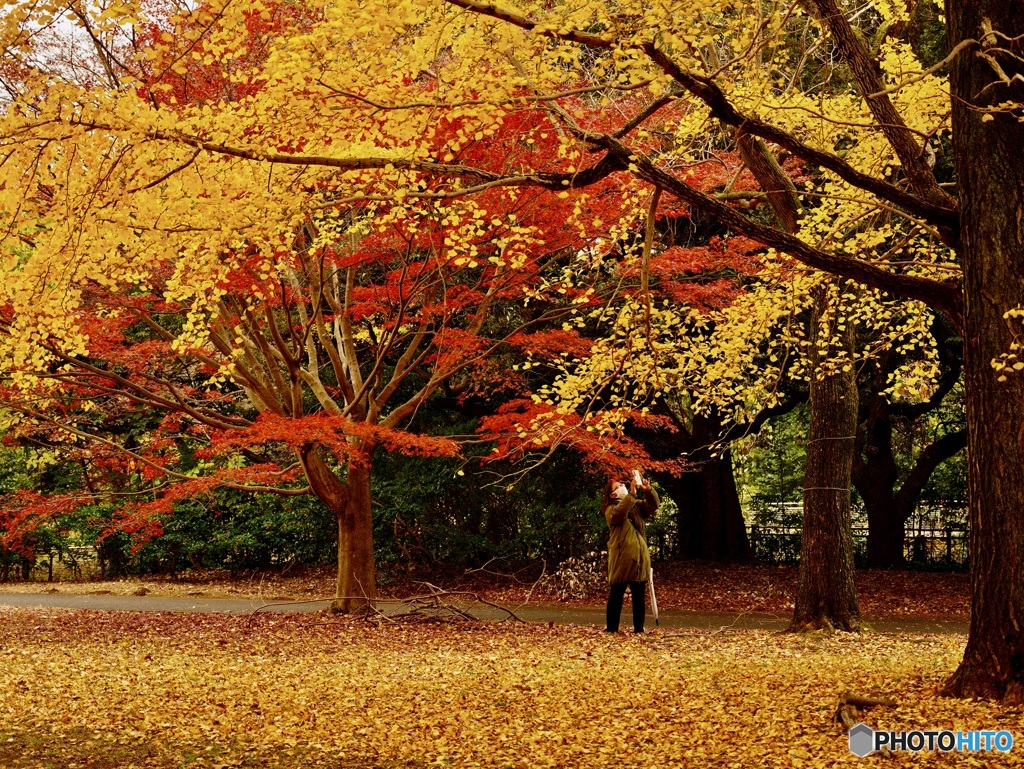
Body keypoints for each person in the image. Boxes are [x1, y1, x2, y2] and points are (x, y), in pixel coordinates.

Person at [602, 471, 660, 633]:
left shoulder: (635, 506)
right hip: (621, 560)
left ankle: (639, 629)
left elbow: (654, 505)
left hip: (639, 558)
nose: (623, 487)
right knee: (616, 594)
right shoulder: (611, 510)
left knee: (639, 596)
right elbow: (620, 513)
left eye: (622, 485)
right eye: (618, 486)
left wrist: (647, 490)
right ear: (612, 494)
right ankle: (612, 628)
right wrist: (632, 495)